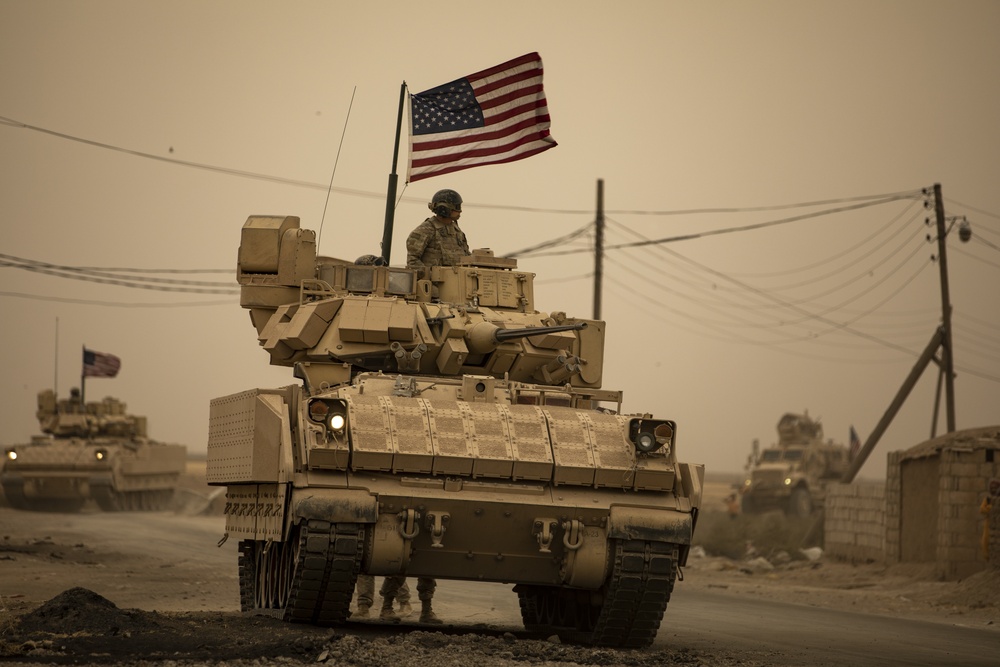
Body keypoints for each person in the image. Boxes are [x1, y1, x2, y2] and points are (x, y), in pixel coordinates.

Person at [405, 189, 470, 277]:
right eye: (457, 207)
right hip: (434, 286)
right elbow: (412, 261)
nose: (460, 211)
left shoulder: (457, 232)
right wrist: (432, 277)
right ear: (445, 208)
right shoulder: (425, 230)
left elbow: (466, 258)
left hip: (458, 284)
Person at [980, 478, 1000, 561]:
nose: (993, 490)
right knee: (985, 542)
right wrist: (990, 507)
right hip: (988, 523)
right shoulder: (988, 499)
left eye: (995, 488)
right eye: (992, 488)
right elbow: (982, 509)